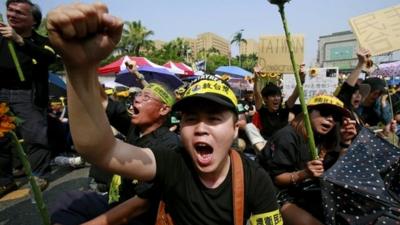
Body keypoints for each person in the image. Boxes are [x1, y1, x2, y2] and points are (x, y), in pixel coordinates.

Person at [47, 3, 282, 224]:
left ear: (234, 128)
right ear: (180, 126)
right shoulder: (173, 162)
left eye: (214, 118)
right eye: (191, 119)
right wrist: (77, 67)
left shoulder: (255, 180)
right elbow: (99, 149)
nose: (201, 128)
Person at [51, 79, 180, 224]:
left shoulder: (169, 145)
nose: (136, 99)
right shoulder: (134, 126)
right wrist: (84, 66)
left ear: (163, 109)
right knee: (67, 202)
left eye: (146, 97)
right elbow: (102, 100)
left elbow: (142, 205)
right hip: (117, 199)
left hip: (141, 216)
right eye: (138, 95)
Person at [258, 95, 358, 225]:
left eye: (336, 117)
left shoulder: (327, 137)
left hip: (306, 191)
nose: (330, 119)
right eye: (325, 112)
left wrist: (346, 142)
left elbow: (338, 171)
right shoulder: (287, 137)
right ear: (309, 111)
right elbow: (277, 178)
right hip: (275, 193)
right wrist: (304, 173)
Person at [0, 0, 56, 194]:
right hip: (2, 94)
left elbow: (49, 57)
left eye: (19, 12)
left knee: (35, 136)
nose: (12, 14)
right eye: (10, 10)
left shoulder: (43, 42)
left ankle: (40, 174)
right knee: (2, 139)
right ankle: (5, 180)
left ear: (33, 21)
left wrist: (19, 40)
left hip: (28, 95)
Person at [252, 64, 303, 140]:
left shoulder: (284, 110)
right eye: (272, 96)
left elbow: (295, 95)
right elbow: (257, 94)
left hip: (282, 143)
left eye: (278, 96)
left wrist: (301, 80)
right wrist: (256, 78)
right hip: (266, 143)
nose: (276, 98)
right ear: (265, 99)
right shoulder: (263, 111)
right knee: (249, 127)